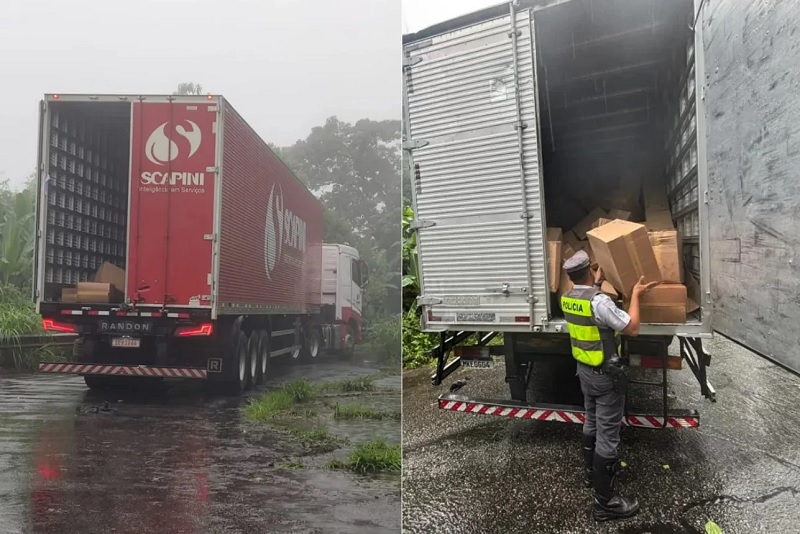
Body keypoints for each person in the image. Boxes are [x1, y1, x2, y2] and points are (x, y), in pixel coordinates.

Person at [561, 250, 658, 521]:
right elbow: (633, 327)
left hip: (584, 372)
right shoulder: (600, 302)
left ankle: (592, 476)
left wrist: (594, 284)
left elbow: (588, 306)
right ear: (590, 271)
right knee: (608, 436)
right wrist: (636, 294)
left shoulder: (568, 298)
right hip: (605, 377)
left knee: (591, 422)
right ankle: (605, 504)